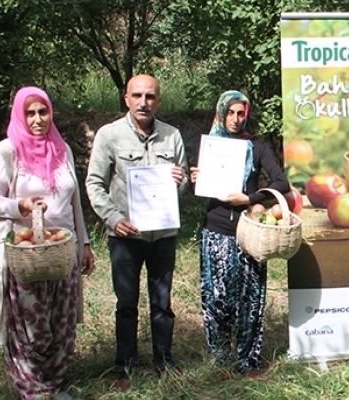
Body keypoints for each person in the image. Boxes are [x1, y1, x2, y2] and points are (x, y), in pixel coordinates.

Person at [0, 86, 95, 399]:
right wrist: (20, 206)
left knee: (62, 320)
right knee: (30, 324)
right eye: (29, 113)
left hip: (62, 252)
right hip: (26, 253)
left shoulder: (62, 150)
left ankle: (53, 382)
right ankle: (32, 388)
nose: (37, 119)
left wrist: (83, 244)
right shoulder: (6, 152)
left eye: (42, 111)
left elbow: (74, 203)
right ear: (19, 115)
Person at [85, 74, 188, 390]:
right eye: (137, 96)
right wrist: (113, 219)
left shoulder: (172, 136)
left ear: (159, 100)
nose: (144, 102)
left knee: (162, 302)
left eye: (151, 96)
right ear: (126, 98)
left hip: (162, 236)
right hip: (125, 236)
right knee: (126, 303)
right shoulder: (109, 135)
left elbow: (182, 184)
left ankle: (163, 361)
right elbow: (94, 184)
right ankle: (124, 367)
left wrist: (178, 182)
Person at [189, 90, 289, 380]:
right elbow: (205, 190)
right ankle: (221, 359)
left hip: (250, 232)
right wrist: (199, 179)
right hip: (217, 229)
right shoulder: (212, 144)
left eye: (240, 113)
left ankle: (249, 361)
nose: (234, 119)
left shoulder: (257, 146)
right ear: (221, 114)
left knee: (251, 298)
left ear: (247, 115)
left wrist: (249, 199)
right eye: (230, 113)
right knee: (217, 296)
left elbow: (281, 183)